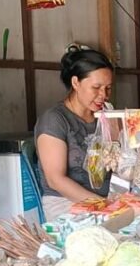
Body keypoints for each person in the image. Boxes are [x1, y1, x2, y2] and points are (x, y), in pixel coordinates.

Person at [35, 44, 115, 221]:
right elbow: (55, 180)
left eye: (108, 88)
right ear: (75, 83)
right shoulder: (55, 119)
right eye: (96, 87)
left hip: (107, 201)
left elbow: (119, 158)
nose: (104, 95)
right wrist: (105, 206)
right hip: (66, 204)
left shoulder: (106, 115)